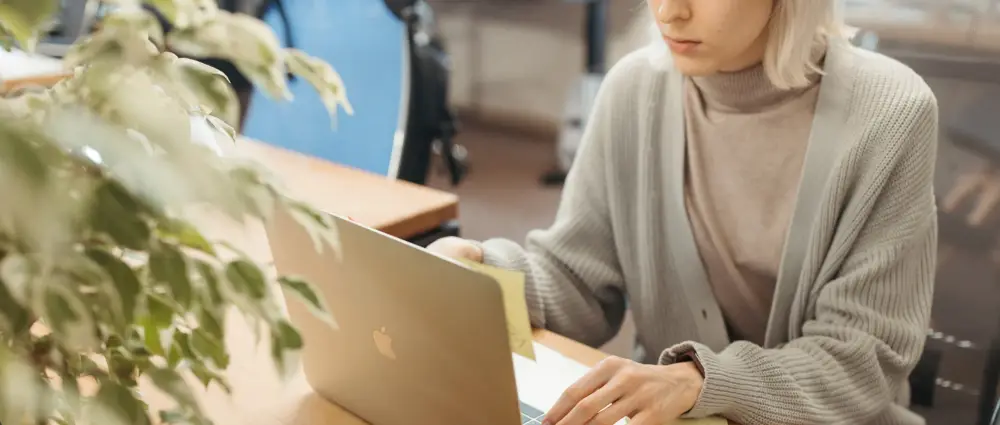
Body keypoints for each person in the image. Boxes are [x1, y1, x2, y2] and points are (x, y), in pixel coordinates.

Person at [429, 0, 939, 423]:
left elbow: (862, 360)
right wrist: (484, 274)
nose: (669, 12)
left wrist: (701, 380)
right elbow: (578, 278)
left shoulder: (891, 112)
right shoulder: (633, 90)